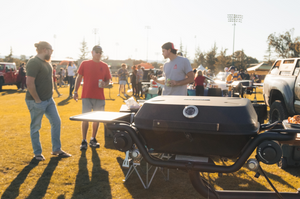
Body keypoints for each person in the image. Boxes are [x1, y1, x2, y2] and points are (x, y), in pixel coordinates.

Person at [25, 41, 71, 161]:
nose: (52, 52)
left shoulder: (47, 63)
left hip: (49, 100)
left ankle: (56, 149)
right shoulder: (34, 62)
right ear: (45, 49)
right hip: (36, 101)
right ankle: (37, 153)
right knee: (35, 127)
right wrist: (37, 100)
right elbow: (29, 83)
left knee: (56, 122)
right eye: (51, 50)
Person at [73, 45, 111, 150]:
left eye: (100, 52)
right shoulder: (85, 63)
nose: (98, 54)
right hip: (87, 95)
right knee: (85, 118)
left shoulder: (105, 66)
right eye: (96, 51)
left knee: (97, 119)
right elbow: (79, 77)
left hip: (100, 97)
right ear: (92, 52)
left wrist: (105, 83)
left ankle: (93, 138)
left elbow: (108, 80)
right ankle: (84, 140)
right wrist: (75, 91)